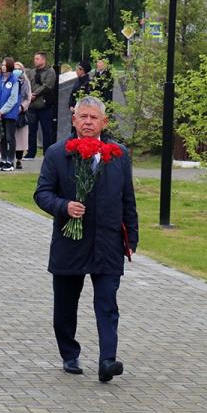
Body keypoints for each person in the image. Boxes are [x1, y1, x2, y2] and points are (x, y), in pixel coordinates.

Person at [33, 96, 138, 382]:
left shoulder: (118, 154)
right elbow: (41, 194)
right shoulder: (57, 153)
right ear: (75, 120)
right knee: (65, 305)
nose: (89, 122)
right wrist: (63, 206)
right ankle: (69, 354)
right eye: (83, 117)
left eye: (94, 117)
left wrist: (132, 238)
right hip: (71, 242)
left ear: (104, 122)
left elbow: (128, 199)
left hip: (108, 243)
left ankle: (107, 360)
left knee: (107, 304)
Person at [24, 51, 56, 160]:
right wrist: (29, 94)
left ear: (43, 60)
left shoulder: (50, 71)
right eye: (35, 59)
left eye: (37, 59)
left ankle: (47, 153)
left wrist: (35, 94)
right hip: (32, 106)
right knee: (31, 130)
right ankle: (30, 152)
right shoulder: (32, 72)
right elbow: (28, 84)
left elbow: (48, 86)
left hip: (44, 105)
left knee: (47, 130)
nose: (35, 61)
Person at [0, 57, 21, 172]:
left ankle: (10, 161)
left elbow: (13, 99)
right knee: (2, 138)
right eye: (2, 64)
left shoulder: (14, 80)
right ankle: (3, 160)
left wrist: (1, 111)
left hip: (9, 114)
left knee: (10, 137)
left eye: (5, 65)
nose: (3, 66)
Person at [14, 61, 32, 170]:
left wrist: (21, 107)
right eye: (15, 68)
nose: (17, 71)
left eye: (19, 68)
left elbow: (28, 97)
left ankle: (19, 160)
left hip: (21, 112)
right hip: (9, 111)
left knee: (20, 138)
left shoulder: (26, 82)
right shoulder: (9, 81)